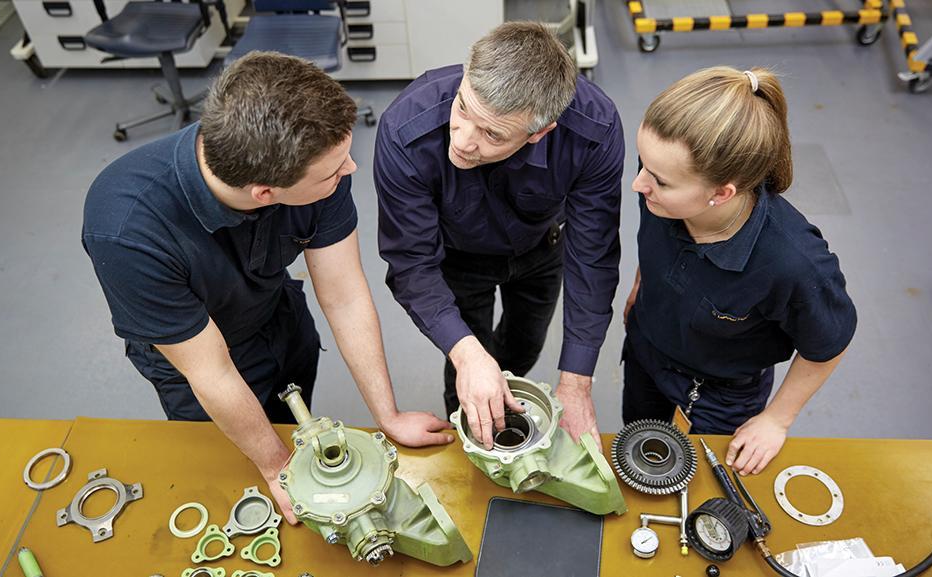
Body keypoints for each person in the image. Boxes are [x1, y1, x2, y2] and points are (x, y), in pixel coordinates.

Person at [82, 52, 453, 523]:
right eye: (334, 171)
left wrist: (389, 416)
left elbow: (343, 295)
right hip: (197, 367)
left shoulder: (316, 163)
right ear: (265, 193)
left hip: (279, 320)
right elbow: (212, 372)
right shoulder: (126, 228)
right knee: (238, 489)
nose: (351, 169)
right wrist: (278, 468)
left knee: (292, 418)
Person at [374, 22, 624, 451]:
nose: (463, 140)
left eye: (492, 134)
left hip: (542, 248)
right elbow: (412, 261)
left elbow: (593, 257)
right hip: (456, 259)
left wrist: (576, 383)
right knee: (467, 358)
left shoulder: (592, 130)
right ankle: (471, 421)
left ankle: (502, 391)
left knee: (524, 345)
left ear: (540, 132)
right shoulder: (406, 129)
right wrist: (467, 354)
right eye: (463, 108)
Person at [623, 66, 857, 475]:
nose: (638, 185)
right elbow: (656, 242)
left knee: (706, 479)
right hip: (648, 349)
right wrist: (641, 288)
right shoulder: (660, 187)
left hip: (720, 394)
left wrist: (776, 419)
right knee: (638, 446)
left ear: (721, 192)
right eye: (642, 164)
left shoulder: (793, 263)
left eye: (658, 180)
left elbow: (829, 344)